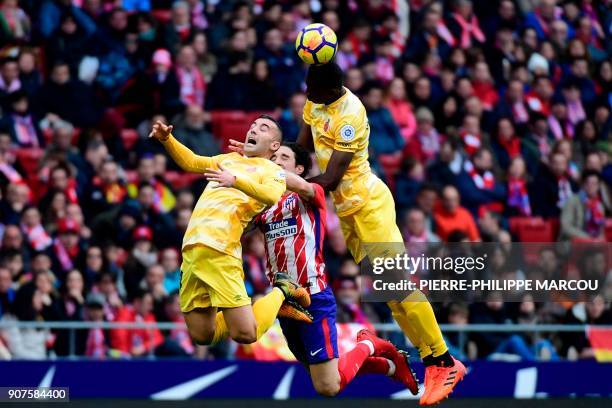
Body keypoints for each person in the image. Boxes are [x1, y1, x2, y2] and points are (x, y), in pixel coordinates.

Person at [294, 62, 465, 405]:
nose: (307, 97)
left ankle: (444, 361)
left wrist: (276, 185)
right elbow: (300, 152)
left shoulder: (351, 114)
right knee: (390, 293)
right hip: (349, 212)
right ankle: (431, 359)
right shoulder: (315, 102)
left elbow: (329, 180)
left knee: (400, 285)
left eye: (313, 92)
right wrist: (261, 162)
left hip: (370, 205)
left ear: (330, 90)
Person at [242, 142, 418, 396]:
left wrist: (263, 168)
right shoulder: (264, 206)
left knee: (327, 386)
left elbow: (301, 186)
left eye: (284, 157)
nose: (277, 160)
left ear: (299, 168)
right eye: (274, 156)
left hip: (313, 296)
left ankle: (369, 344)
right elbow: (240, 225)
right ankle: (391, 366)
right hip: (285, 303)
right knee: (323, 371)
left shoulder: (309, 193)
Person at [148, 117, 310, 347]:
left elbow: (271, 195)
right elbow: (193, 162)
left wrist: (235, 181)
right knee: (202, 335)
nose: (254, 128)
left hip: (220, 250)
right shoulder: (229, 159)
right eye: (253, 125)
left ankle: (282, 290)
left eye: (264, 128)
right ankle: (245, 310)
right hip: (192, 251)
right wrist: (168, 140)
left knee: (245, 334)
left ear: (274, 145)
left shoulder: (271, 170)